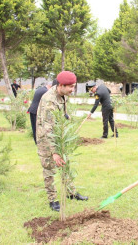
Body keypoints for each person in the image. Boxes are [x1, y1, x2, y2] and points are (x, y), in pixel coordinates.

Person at [37, 71, 88, 211]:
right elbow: (47, 128)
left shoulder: (62, 95)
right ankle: (52, 200)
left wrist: (68, 120)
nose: (73, 89)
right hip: (47, 141)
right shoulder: (49, 100)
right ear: (61, 85)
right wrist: (54, 152)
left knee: (65, 164)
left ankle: (71, 193)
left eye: (74, 86)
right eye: (70, 86)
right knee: (49, 169)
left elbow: (62, 114)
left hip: (59, 136)